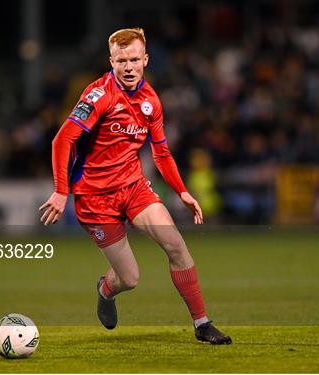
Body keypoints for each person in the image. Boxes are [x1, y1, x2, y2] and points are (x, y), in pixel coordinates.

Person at [39, 28, 231, 344]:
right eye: (121, 60)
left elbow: (161, 150)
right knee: (129, 278)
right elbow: (63, 139)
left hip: (133, 186)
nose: (128, 67)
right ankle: (105, 289)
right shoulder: (98, 96)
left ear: (145, 60)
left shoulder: (151, 101)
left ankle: (202, 323)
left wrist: (182, 190)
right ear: (111, 61)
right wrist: (61, 190)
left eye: (134, 60)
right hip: (94, 197)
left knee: (175, 244)